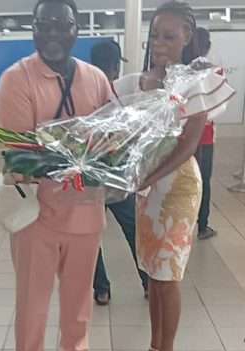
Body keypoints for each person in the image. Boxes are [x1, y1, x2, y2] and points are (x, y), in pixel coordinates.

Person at [0, 0, 113, 351]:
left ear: (76, 29)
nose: (52, 33)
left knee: (80, 292)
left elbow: (112, 138)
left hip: (87, 210)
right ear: (32, 28)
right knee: (32, 294)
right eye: (43, 25)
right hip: (36, 212)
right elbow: (20, 154)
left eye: (62, 25)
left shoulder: (95, 78)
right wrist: (83, 152)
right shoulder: (17, 79)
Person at [122, 1, 206, 351]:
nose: (159, 43)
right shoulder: (142, 81)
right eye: (155, 35)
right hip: (148, 187)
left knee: (168, 277)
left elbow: (188, 145)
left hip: (177, 188)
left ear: (187, 38)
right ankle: (154, 348)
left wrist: (148, 178)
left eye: (169, 37)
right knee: (153, 275)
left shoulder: (194, 84)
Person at [90, 40, 149, 305]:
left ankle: (101, 289)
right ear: (115, 67)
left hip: (89, 177)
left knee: (91, 234)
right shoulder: (120, 94)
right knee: (134, 231)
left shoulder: (83, 92)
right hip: (116, 177)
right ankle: (148, 283)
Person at [195, 27, 217, 240]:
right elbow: (218, 106)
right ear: (208, 47)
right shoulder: (214, 73)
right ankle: (202, 226)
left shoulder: (179, 72)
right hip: (205, 136)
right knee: (203, 181)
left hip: (182, 137)